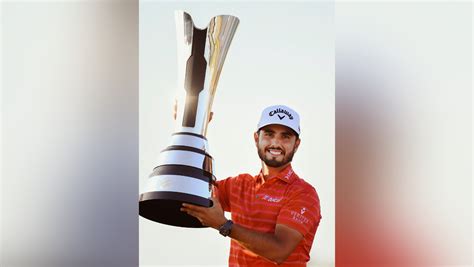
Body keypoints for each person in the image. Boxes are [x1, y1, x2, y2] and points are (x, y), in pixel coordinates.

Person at [181, 105, 321, 266]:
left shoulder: (303, 194)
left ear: (296, 144)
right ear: (256, 139)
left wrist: (223, 224)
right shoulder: (239, 185)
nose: (276, 143)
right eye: (269, 134)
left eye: (285, 137)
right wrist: (191, 130)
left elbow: (279, 251)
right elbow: (190, 191)